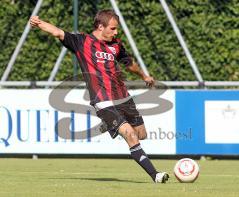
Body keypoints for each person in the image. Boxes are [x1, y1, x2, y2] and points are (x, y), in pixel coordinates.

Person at [30, 9, 169, 183]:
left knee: (141, 134)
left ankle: (108, 125)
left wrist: (144, 76)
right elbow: (57, 32)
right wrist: (38, 22)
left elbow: (129, 63)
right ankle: (155, 175)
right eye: (113, 28)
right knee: (129, 135)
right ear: (100, 26)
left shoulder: (116, 45)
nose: (116, 32)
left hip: (123, 96)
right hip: (102, 99)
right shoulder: (82, 41)